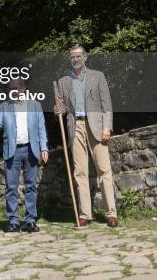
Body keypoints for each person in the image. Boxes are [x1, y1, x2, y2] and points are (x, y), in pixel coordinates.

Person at [54, 44, 117, 227]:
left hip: (97, 126)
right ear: (69, 59)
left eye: (78, 56)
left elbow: (107, 105)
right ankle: (85, 214)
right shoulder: (63, 81)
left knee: (104, 169)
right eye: (72, 57)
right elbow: (63, 108)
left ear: (85, 57)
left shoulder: (98, 76)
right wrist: (59, 109)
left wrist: (107, 127)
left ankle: (111, 213)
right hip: (76, 126)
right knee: (80, 172)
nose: (75, 59)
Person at [0, 78, 49, 232]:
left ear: (23, 89)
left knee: (31, 186)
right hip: (12, 151)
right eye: (10, 89)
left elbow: (41, 128)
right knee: (11, 187)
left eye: (15, 89)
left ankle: (30, 220)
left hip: (31, 149)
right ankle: (13, 221)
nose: (13, 92)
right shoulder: (4, 106)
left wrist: (44, 148)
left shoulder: (35, 105)